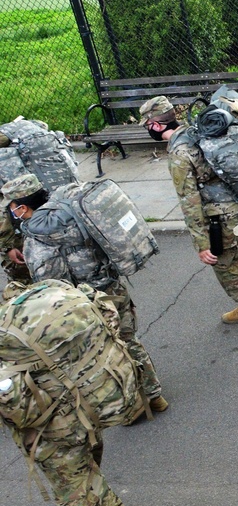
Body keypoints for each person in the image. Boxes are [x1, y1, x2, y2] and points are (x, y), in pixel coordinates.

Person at [0, 280, 177, 506]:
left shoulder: (5, 345)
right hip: (85, 403)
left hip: (55, 428)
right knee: (82, 469)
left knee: (87, 493)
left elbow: (18, 411)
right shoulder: (35, 302)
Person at [3, 173, 167, 417]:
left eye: (12, 208)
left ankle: (131, 405)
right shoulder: (71, 208)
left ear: (22, 207)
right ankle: (155, 395)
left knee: (104, 352)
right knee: (129, 340)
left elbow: (50, 285)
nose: (11, 213)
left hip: (86, 303)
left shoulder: (38, 236)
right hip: (112, 287)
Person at [141, 95, 238, 324]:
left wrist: (202, 244)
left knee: (225, 264)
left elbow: (189, 200)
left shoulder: (179, 153)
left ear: (155, 125)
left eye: (147, 126)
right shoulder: (199, 132)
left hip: (221, 218)